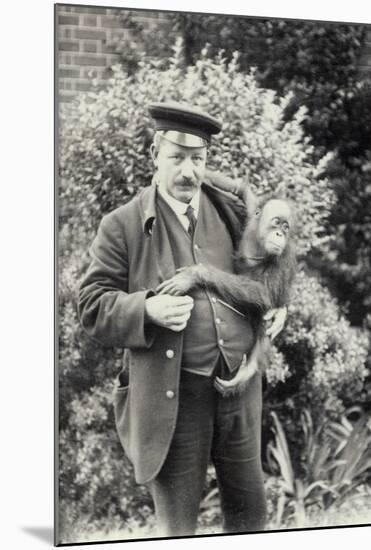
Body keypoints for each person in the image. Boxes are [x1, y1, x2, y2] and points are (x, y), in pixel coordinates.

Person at [78, 102, 286, 537]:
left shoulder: (229, 209)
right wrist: (147, 309)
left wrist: (277, 304)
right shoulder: (122, 225)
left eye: (198, 158)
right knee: (178, 531)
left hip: (239, 393)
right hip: (174, 401)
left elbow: (262, 268)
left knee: (252, 519)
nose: (189, 171)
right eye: (177, 157)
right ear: (155, 154)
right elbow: (92, 306)